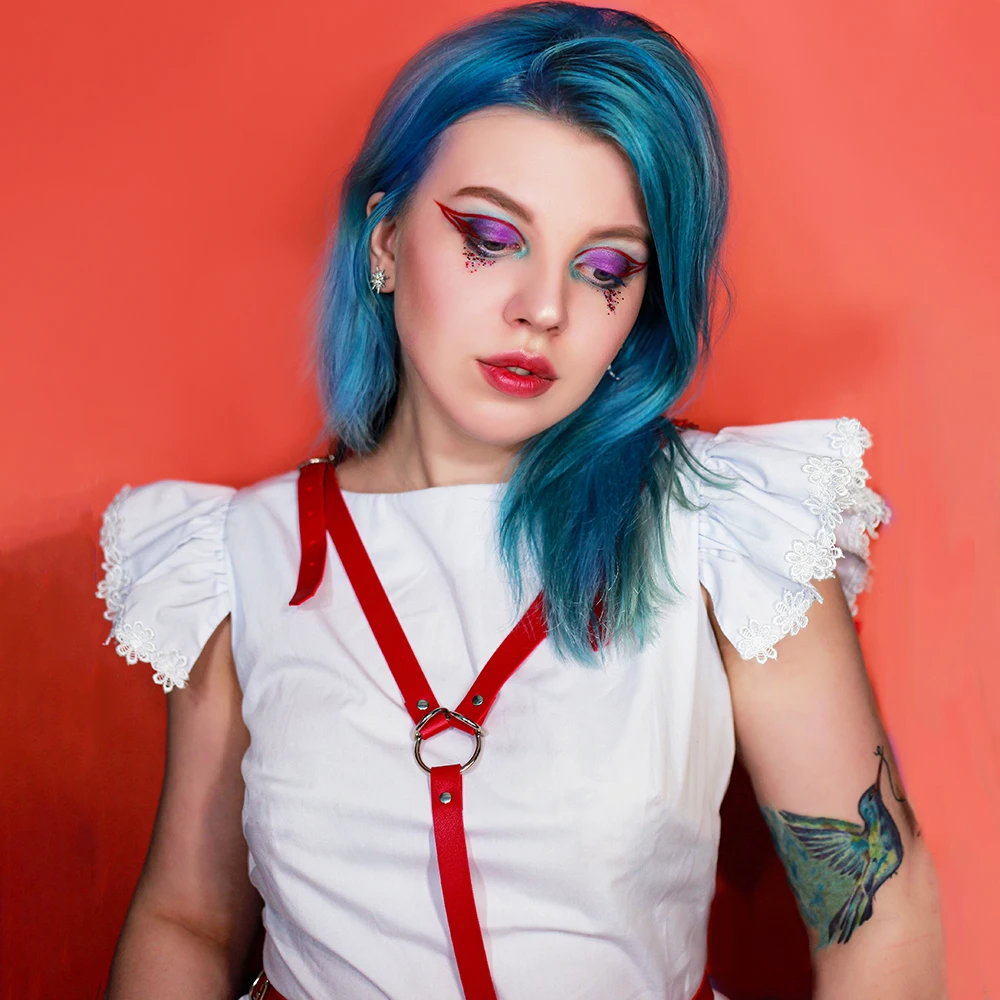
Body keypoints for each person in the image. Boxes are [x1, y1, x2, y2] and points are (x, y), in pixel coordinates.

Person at [95, 3, 946, 998]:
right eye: (492, 237)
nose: (543, 308)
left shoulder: (725, 528)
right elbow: (189, 919)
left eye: (604, 268)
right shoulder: (235, 556)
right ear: (383, 240)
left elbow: (876, 907)